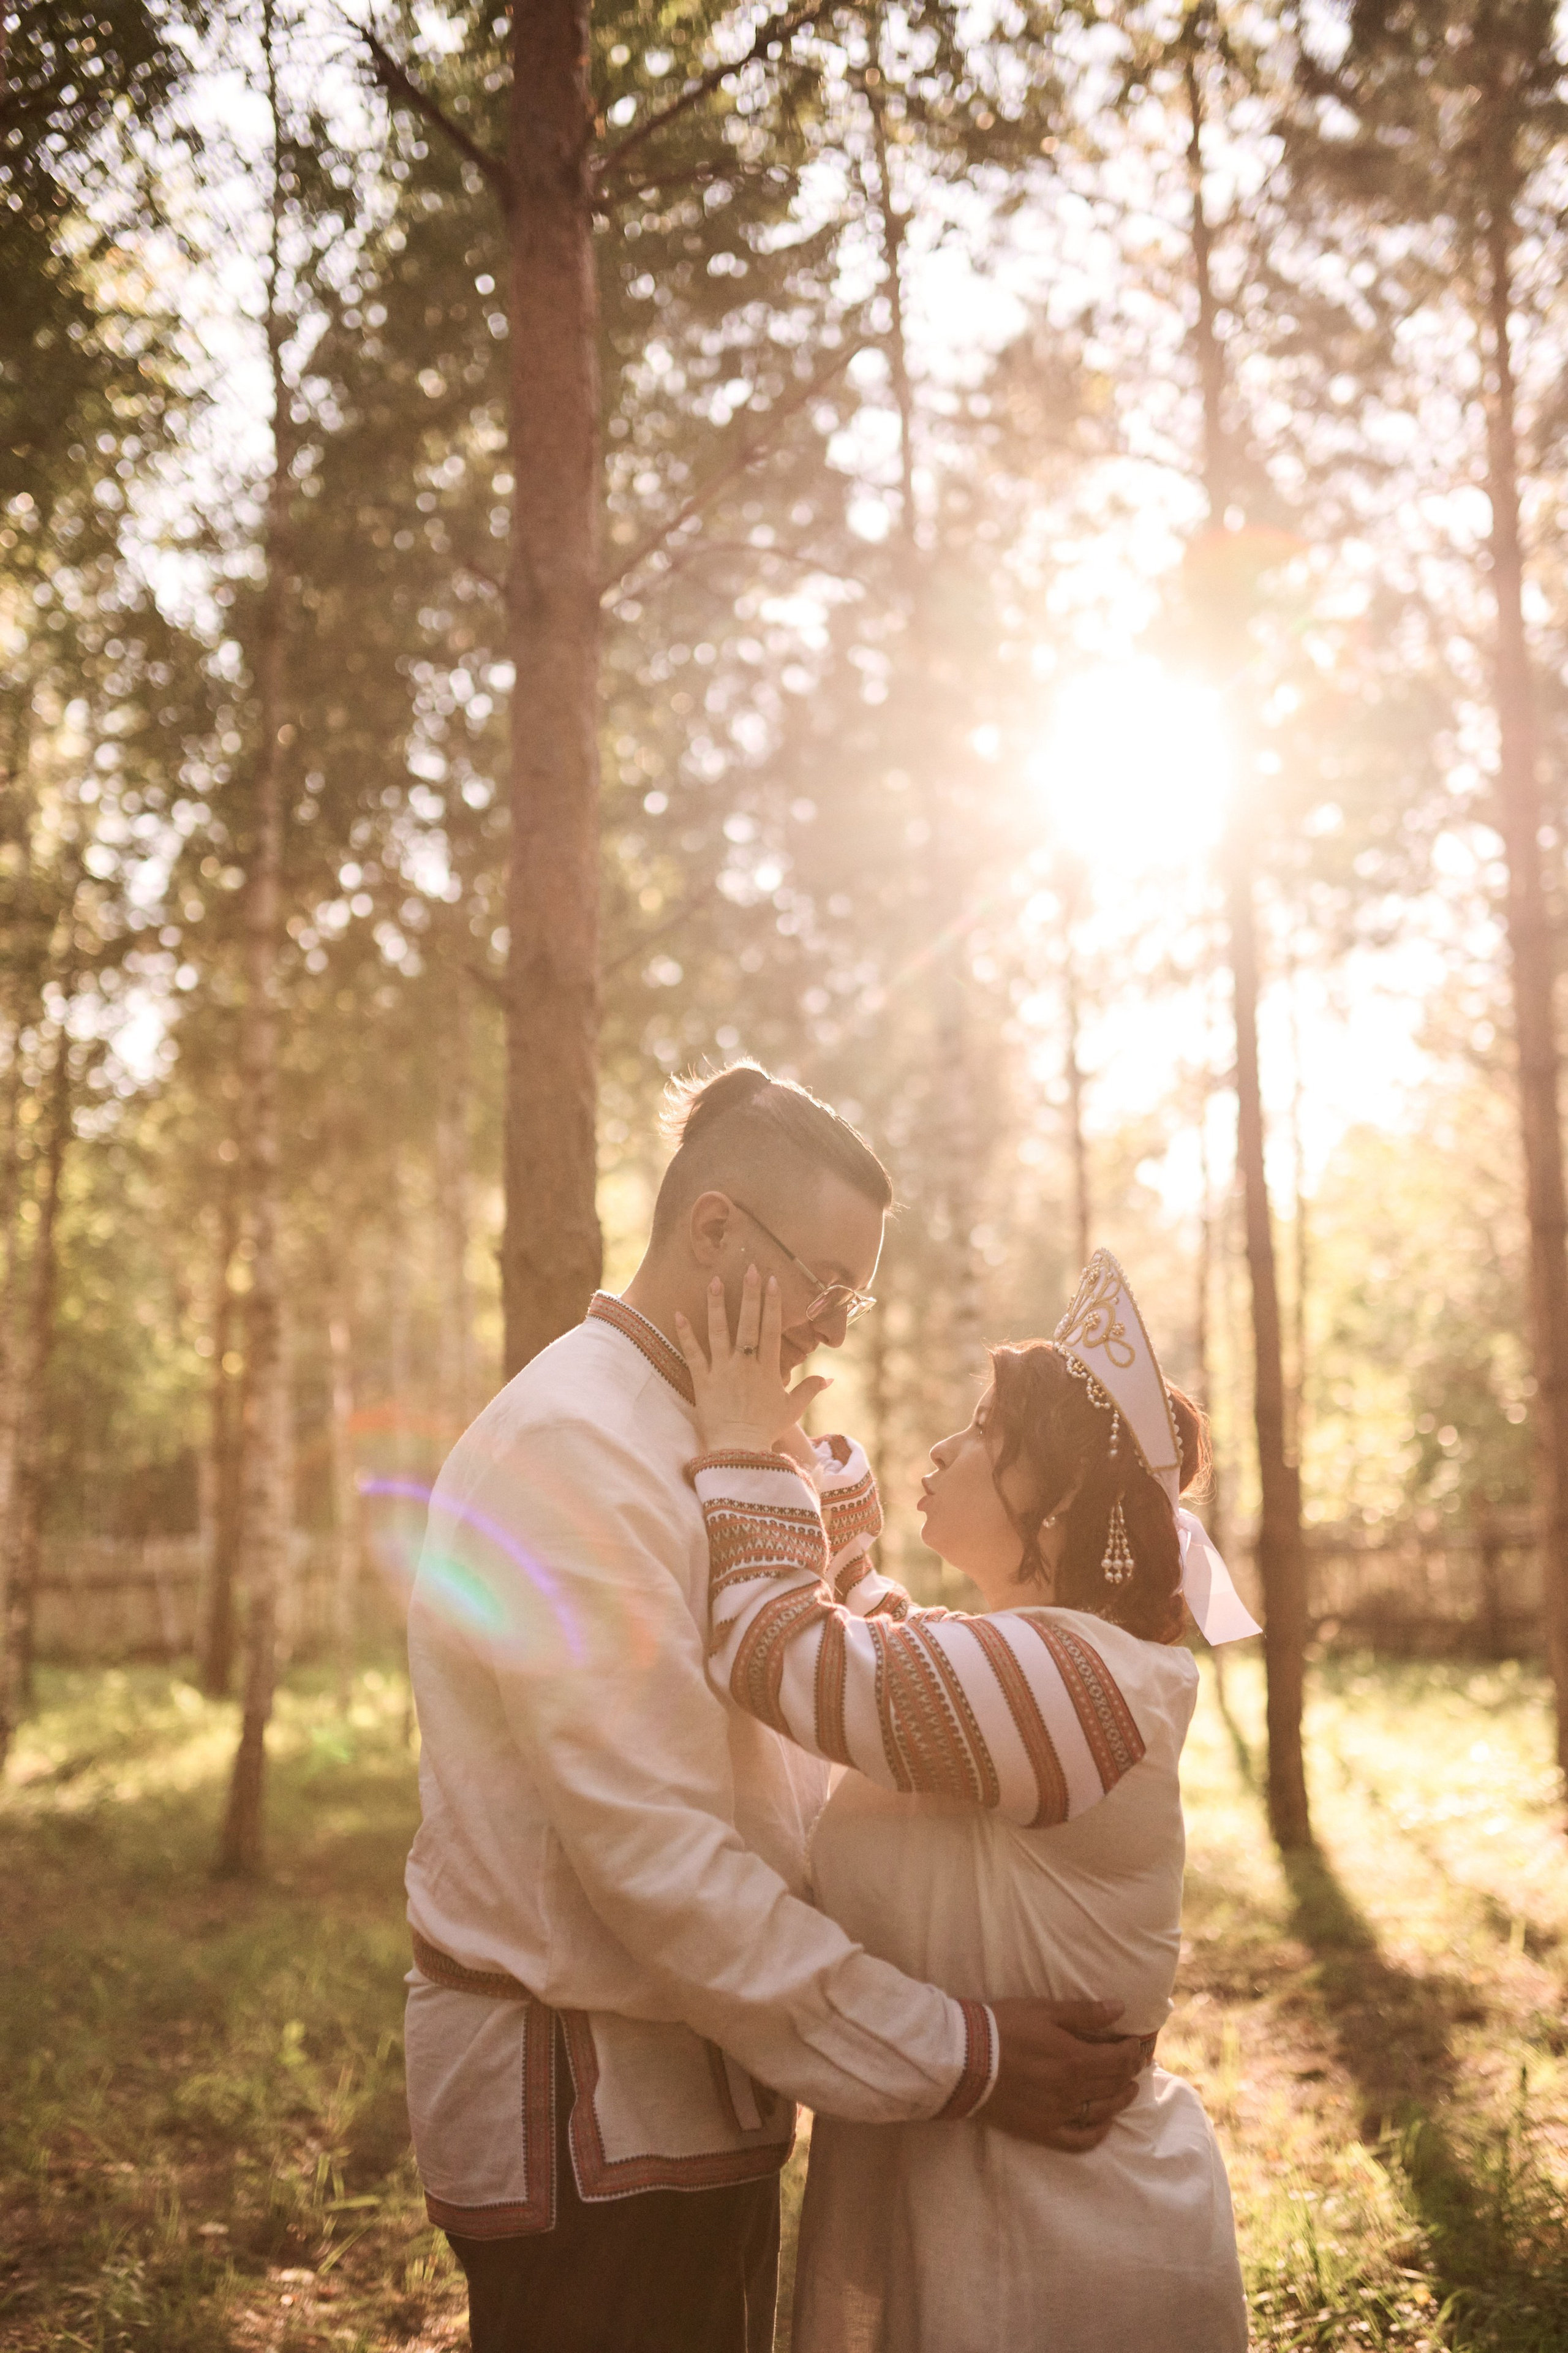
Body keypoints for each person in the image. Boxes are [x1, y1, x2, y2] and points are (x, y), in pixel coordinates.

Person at [402, 1065, 1154, 2353]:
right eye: (827, 1285)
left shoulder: (709, 1430)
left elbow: (807, 1733)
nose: (838, 1330)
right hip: (591, 2128)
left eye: (850, 1295)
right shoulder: (574, 1446)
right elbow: (659, 1864)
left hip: (700, 2091)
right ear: (711, 1230)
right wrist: (954, 2052)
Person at [677, 1244, 1259, 2352]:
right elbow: (890, 1638)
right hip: (975, 2198)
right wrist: (818, 1475)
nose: (950, 1445)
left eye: (988, 1431)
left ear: (1066, 1494)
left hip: (1058, 2245)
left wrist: (738, 1448)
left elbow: (784, 1654)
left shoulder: (1087, 1684)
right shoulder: (1040, 1664)